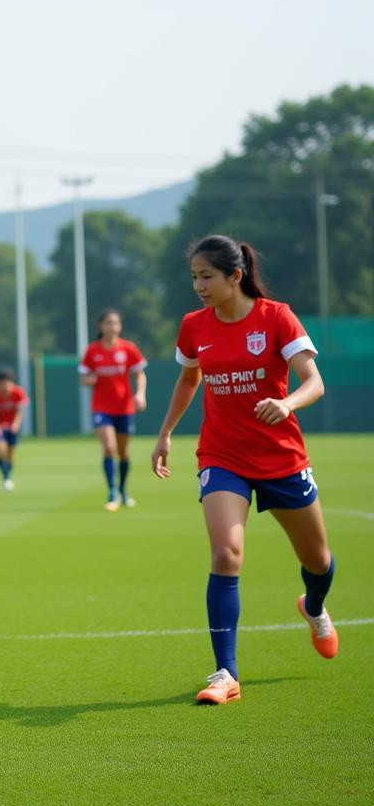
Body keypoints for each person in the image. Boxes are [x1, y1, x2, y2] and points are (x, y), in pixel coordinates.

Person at [150, 235, 338, 705]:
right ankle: (225, 673)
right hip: (221, 456)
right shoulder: (194, 326)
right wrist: (166, 432)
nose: (198, 285)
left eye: (206, 276)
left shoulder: (276, 317)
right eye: (193, 276)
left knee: (317, 560)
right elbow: (189, 377)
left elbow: (313, 382)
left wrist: (287, 401)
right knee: (225, 554)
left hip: (281, 457)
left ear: (235, 276)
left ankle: (313, 606)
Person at [78, 309, 147, 510]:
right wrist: (90, 379)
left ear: (120, 326)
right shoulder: (93, 350)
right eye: (108, 323)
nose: (112, 326)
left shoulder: (128, 348)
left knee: (123, 452)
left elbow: (140, 374)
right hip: (101, 407)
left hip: (124, 407)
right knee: (109, 448)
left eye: (115, 323)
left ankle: (124, 490)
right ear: (101, 326)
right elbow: (84, 376)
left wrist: (140, 394)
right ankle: (112, 491)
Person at [0, 367, 29, 490]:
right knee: (0, 449)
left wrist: (15, 424)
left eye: (7, 383)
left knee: (10, 455)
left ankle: (7, 474)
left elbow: (20, 411)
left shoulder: (18, 393)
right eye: (1, 383)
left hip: (12, 428)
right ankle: (6, 478)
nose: (4, 387)